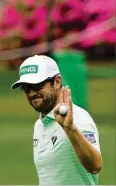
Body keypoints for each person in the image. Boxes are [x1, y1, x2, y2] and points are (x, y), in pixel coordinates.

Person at [11, 55, 102, 185]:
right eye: (26, 88)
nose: (31, 93)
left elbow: (95, 166)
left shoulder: (78, 118)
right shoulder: (40, 124)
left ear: (57, 82)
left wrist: (70, 129)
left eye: (37, 86)